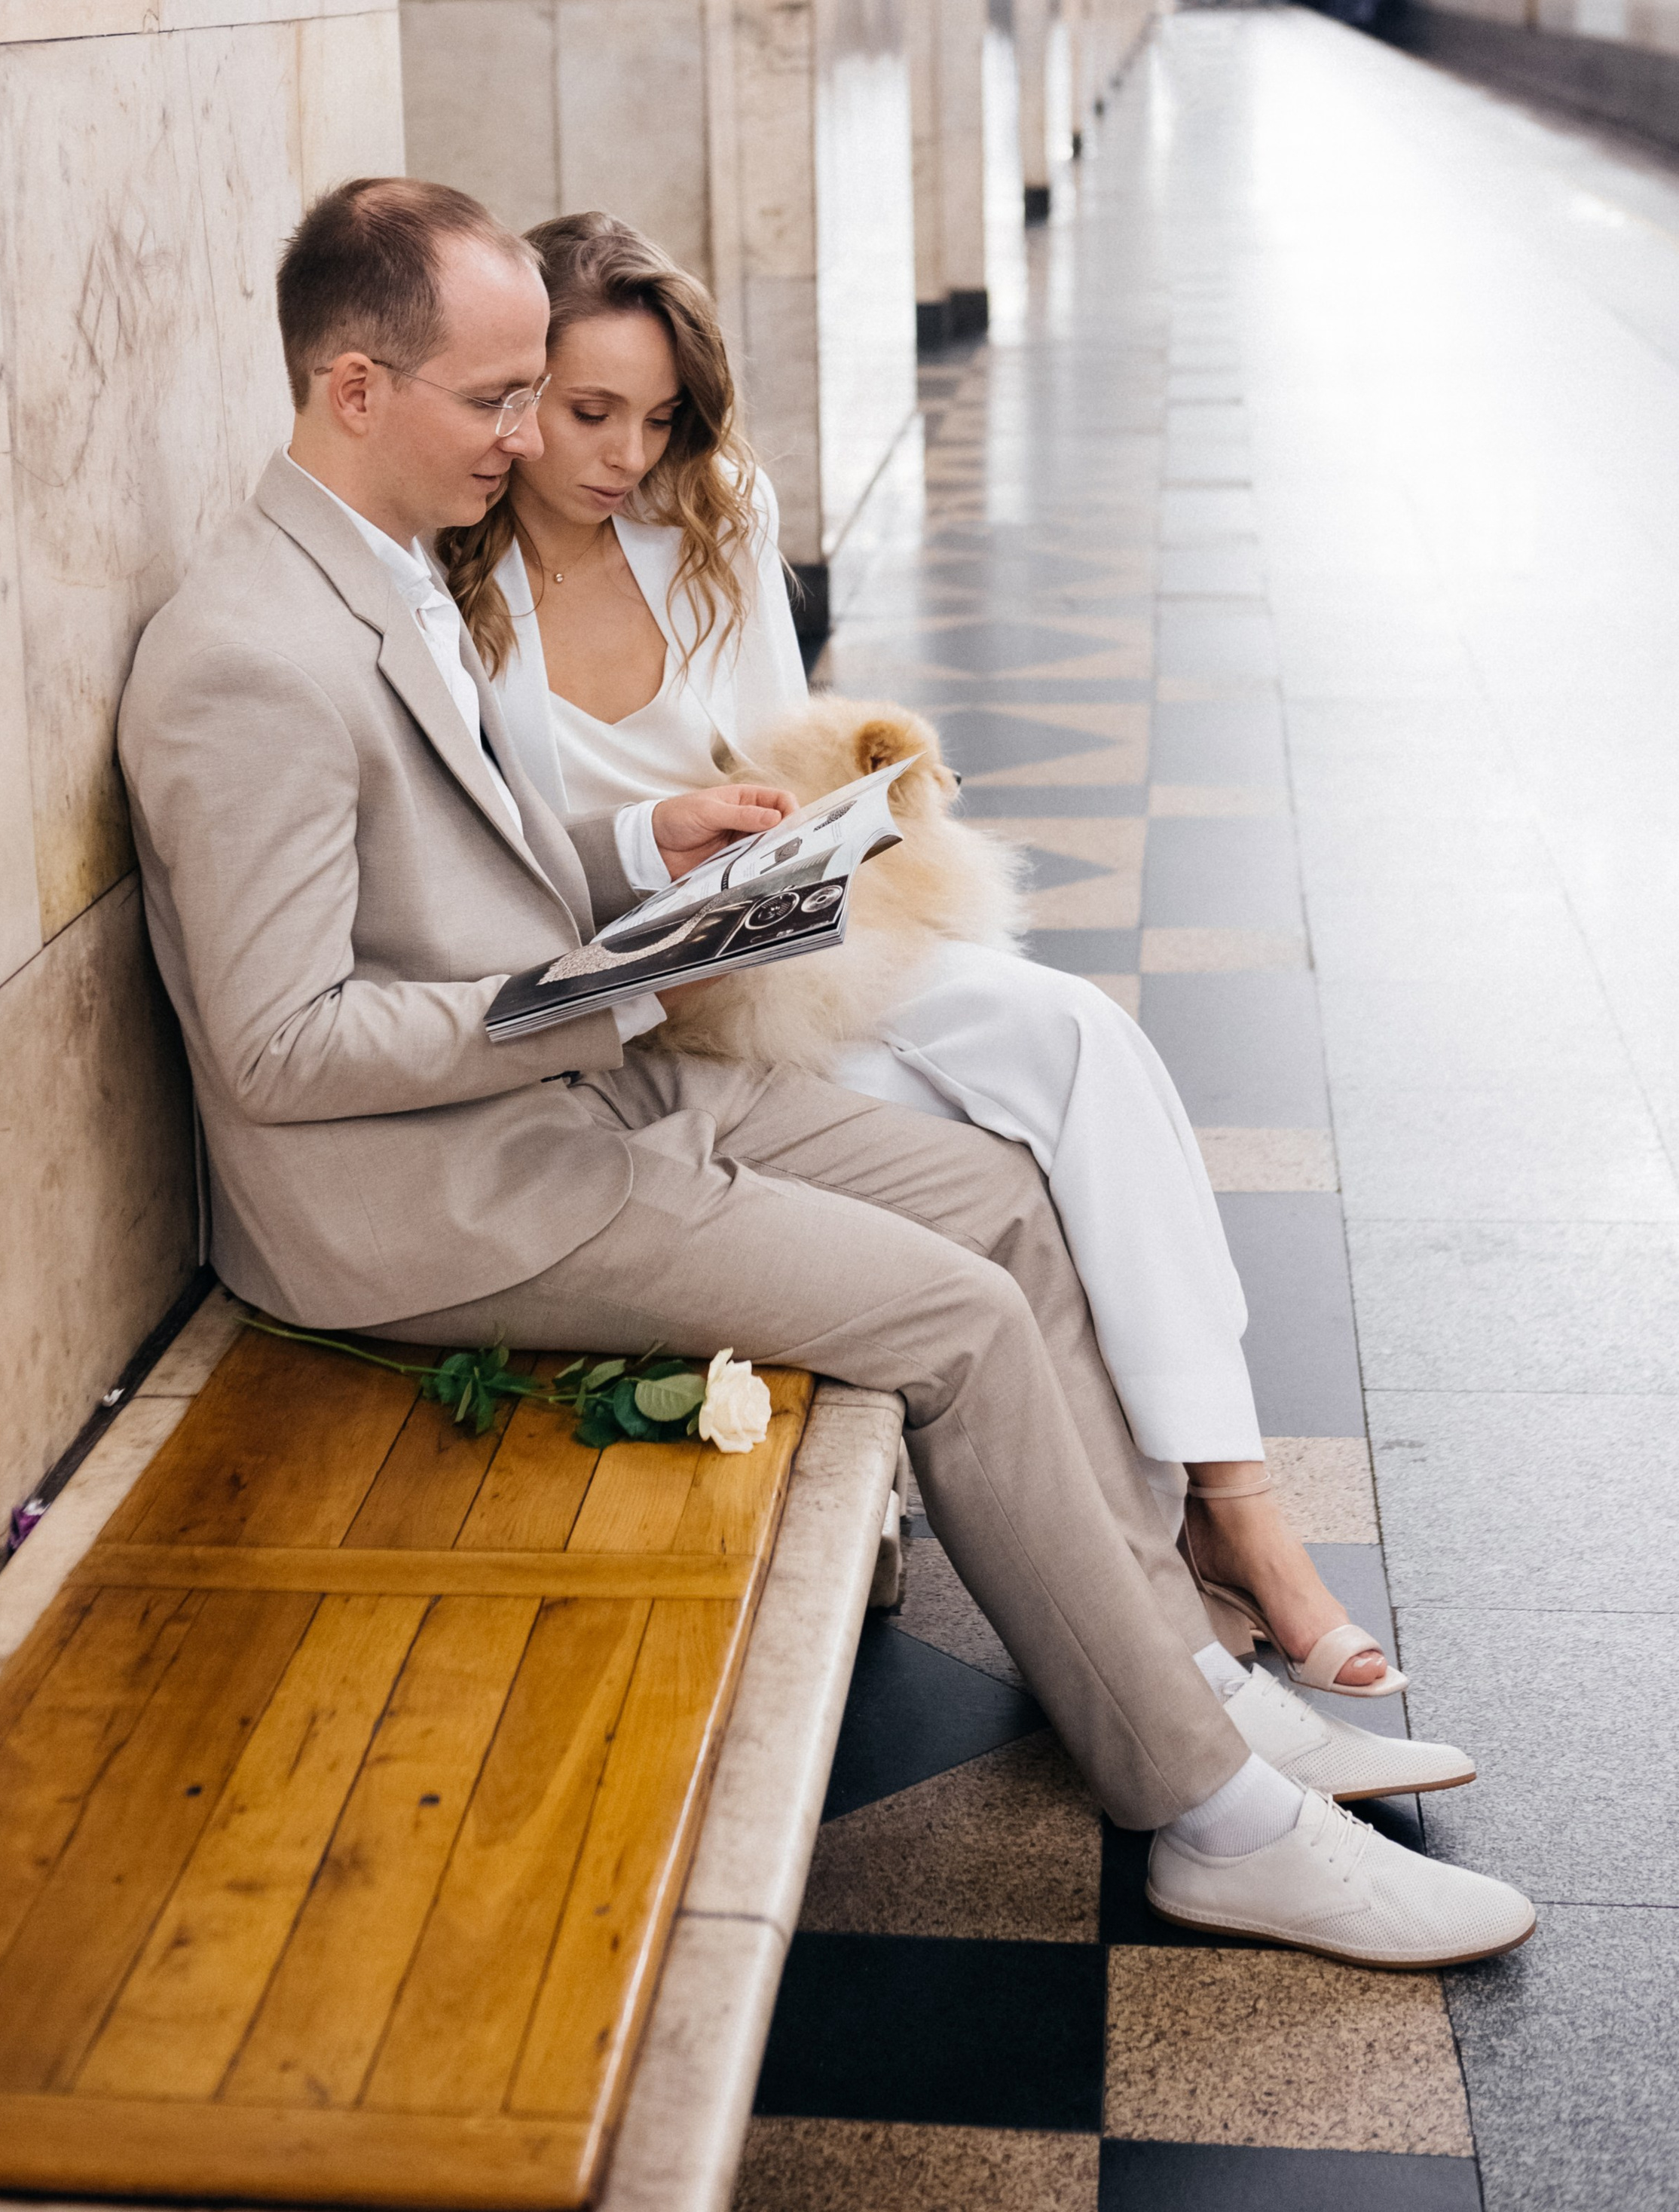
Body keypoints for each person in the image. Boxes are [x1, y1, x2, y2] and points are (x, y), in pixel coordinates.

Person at [118, 174, 1532, 1969]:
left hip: (571, 1088)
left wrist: (653, 856)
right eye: (496, 399)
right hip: (435, 1200)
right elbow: (279, 1047)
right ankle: (1210, 1818)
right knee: (947, 1318)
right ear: (351, 387)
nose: (520, 433)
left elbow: (469, 837)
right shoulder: (245, 656)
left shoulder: (378, 565)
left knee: (1001, 1203)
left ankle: (1185, 1674)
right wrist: (602, 993)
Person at [441, 211, 1393, 1699]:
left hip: (797, 953)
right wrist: (659, 850)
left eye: (659, 414)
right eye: (588, 412)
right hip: (640, 1012)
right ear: (514, 394)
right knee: (999, 1169)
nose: (627, 453)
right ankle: (1160, 1608)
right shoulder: (452, 600)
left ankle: (1236, 1514)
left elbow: (778, 747)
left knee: (1073, 1038)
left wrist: (822, 820)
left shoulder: (713, 520)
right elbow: (487, 874)